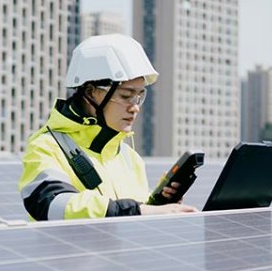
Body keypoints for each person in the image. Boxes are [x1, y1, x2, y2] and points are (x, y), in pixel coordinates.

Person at [19, 34, 198, 220]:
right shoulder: (47, 146)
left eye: (139, 96)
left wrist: (158, 206)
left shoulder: (130, 157)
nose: (135, 107)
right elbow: (49, 204)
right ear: (91, 93)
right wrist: (135, 211)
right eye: (125, 95)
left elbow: (133, 220)